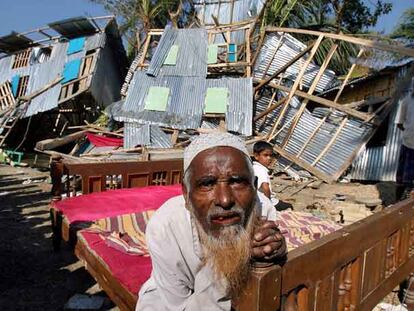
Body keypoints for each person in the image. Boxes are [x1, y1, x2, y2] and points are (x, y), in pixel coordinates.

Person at [137, 132, 286, 310]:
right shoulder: (165, 227)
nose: (225, 200)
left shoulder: (263, 207)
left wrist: (277, 251)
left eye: (237, 181)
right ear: (186, 194)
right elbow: (176, 304)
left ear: (254, 187)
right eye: (207, 184)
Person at [253, 141, 292, 211]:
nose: (269, 158)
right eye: (265, 155)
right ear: (256, 156)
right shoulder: (261, 170)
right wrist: (268, 205)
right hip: (267, 202)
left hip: (259, 200)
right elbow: (266, 188)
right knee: (289, 206)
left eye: (271, 155)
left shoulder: (254, 167)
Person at [396, 88, 414, 200]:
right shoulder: (406, 101)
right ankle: (398, 201)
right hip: (408, 143)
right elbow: (399, 123)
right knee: (403, 177)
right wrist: (408, 132)